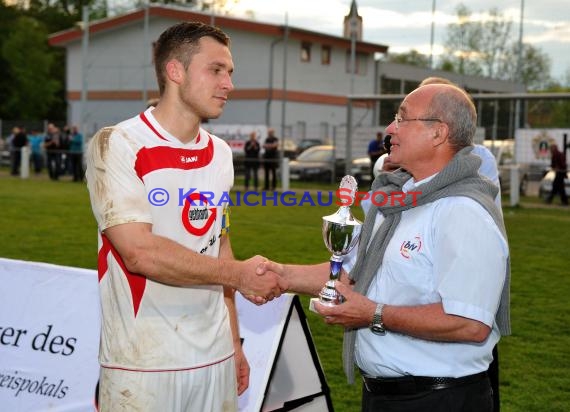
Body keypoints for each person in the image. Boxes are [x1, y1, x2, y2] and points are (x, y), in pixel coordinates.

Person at [262, 83, 510, 412]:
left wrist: (373, 314)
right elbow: (351, 271)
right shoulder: (397, 200)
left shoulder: (463, 211)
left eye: (402, 119)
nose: (390, 128)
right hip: (385, 396)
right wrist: (279, 275)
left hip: (439, 401)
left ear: (438, 133)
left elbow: (470, 323)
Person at [85, 22, 287, 412]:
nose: (228, 83)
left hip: (214, 360)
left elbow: (219, 247)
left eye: (230, 72)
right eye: (216, 70)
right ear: (174, 71)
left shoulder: (221, 153)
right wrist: (239, 275)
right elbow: (140, 253)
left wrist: (234, 344)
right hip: (144, 363)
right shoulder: (118, 144)